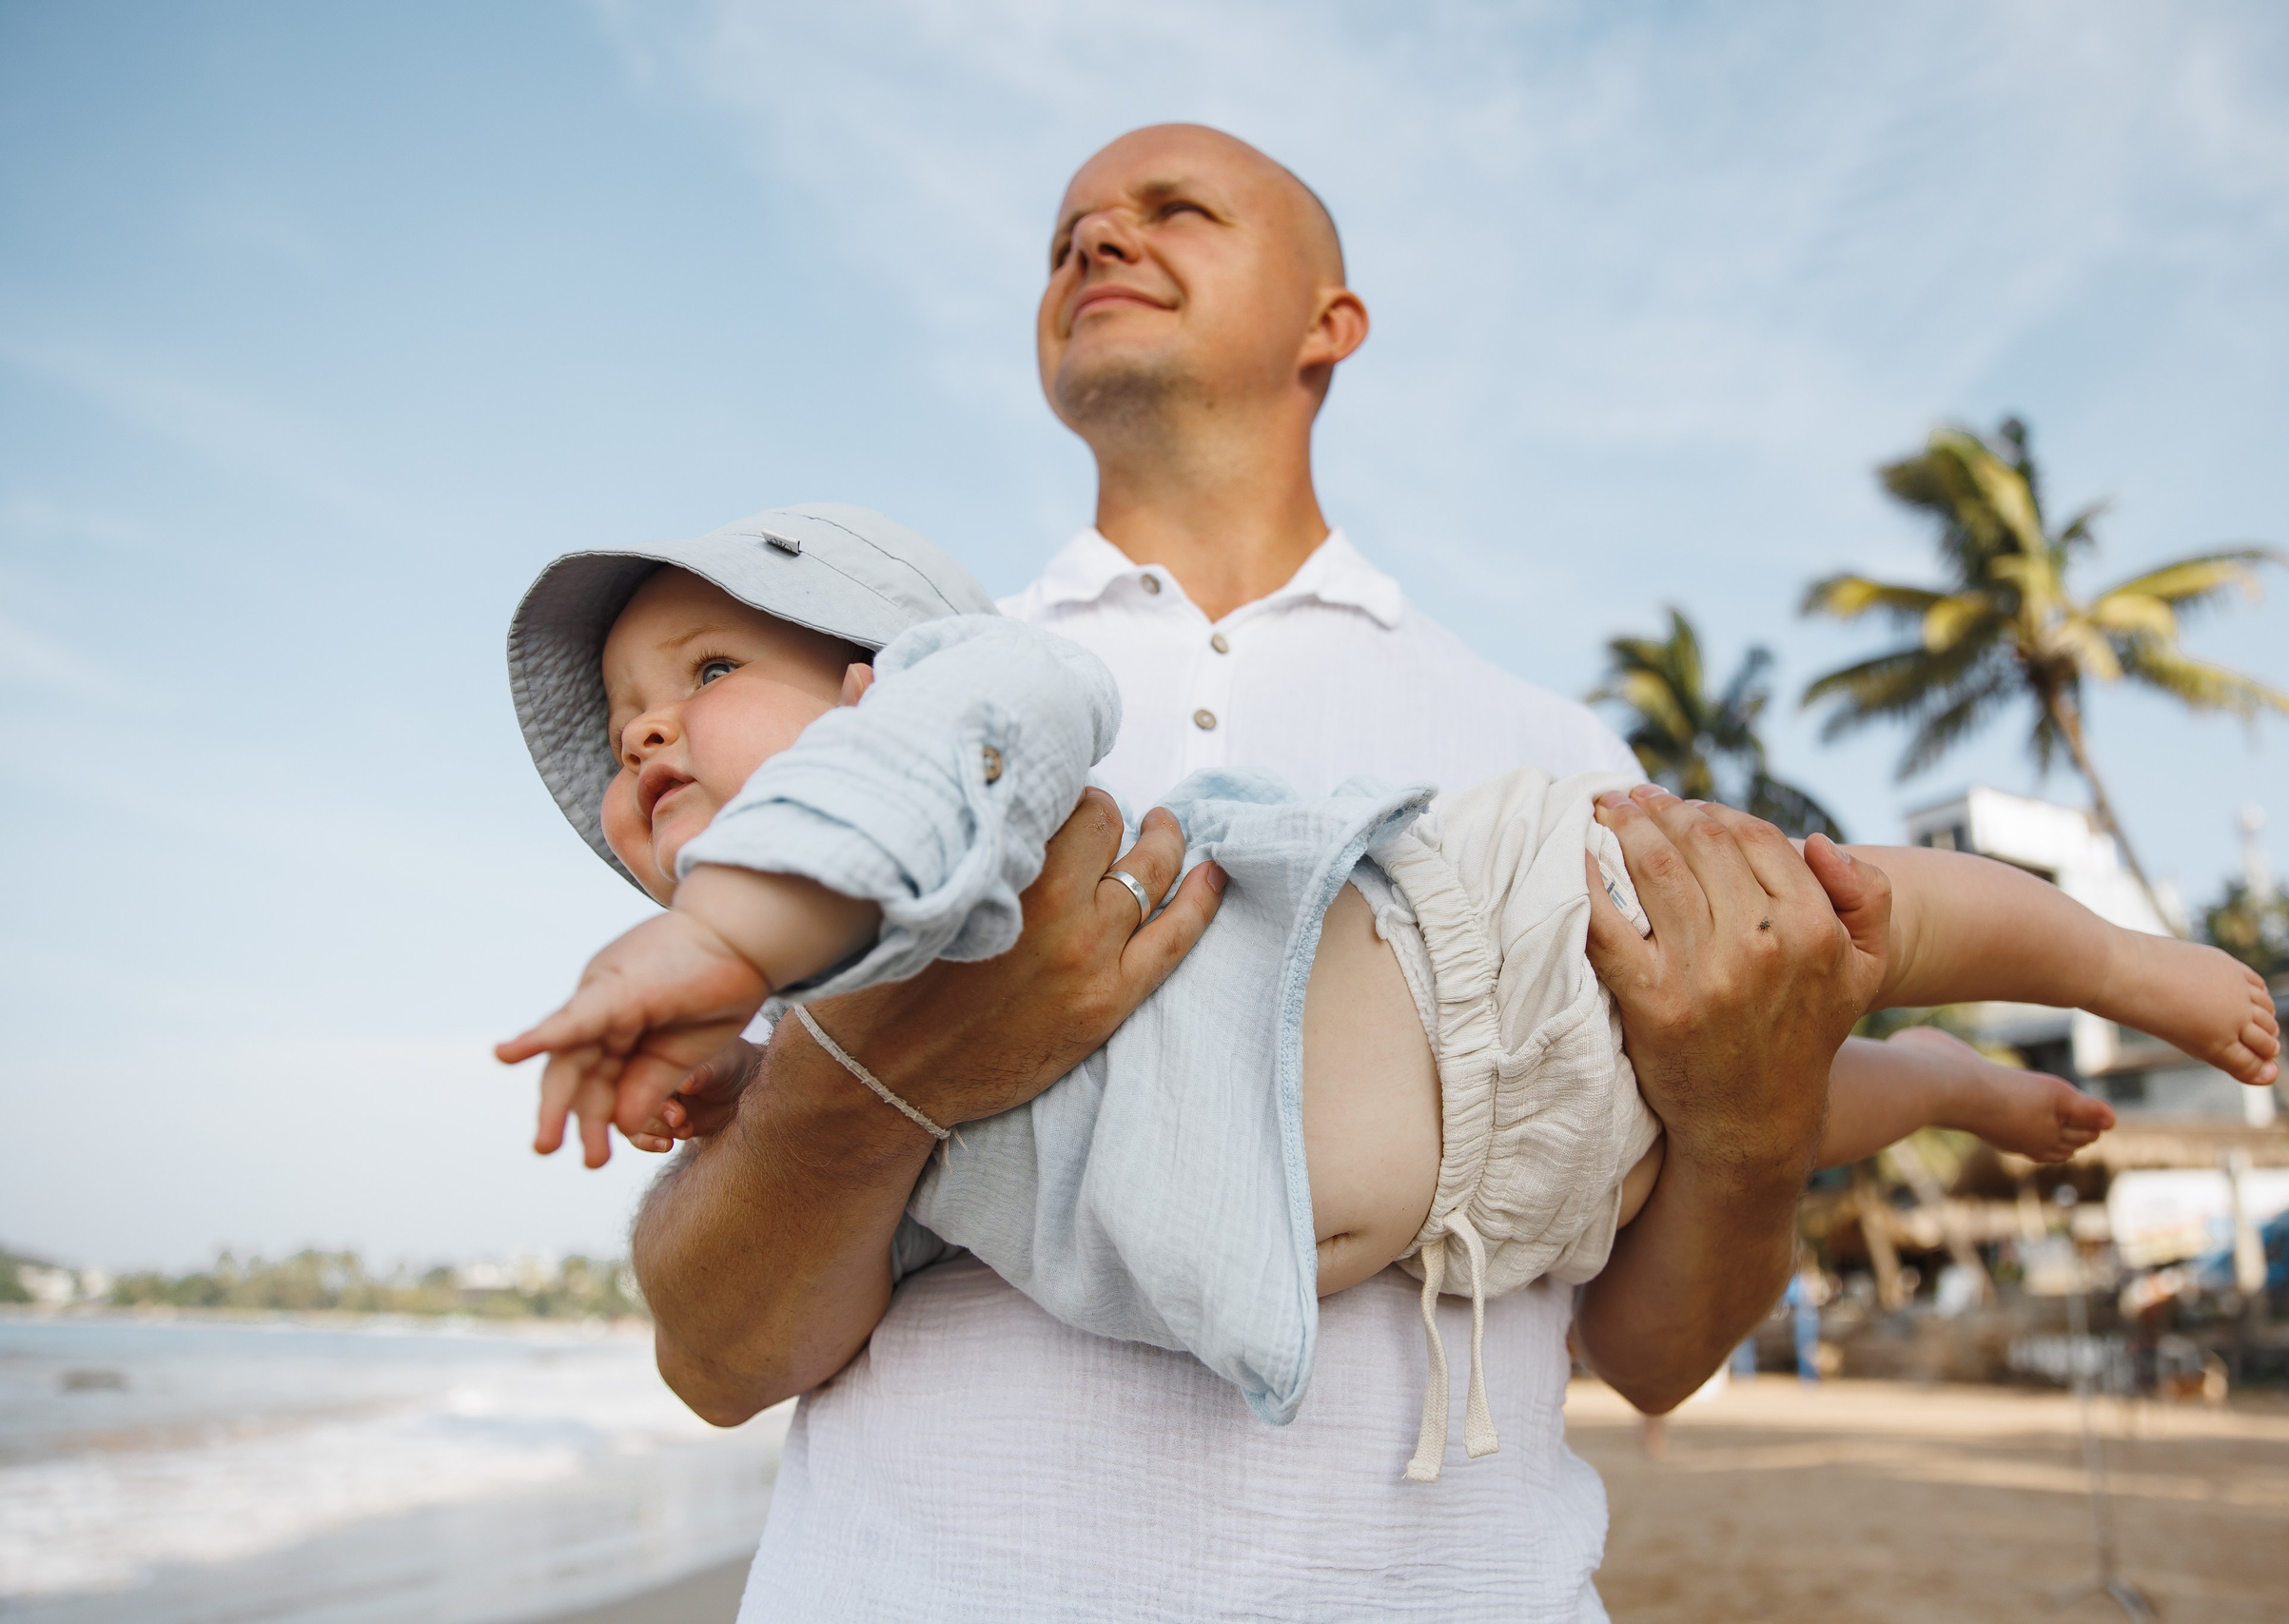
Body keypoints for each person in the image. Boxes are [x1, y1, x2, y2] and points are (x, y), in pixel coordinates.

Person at [589, 126, 2045, 1618]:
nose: (1096, 243)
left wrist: (1750, 1126)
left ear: (1329, 324)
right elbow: (719, 1361)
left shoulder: (1550, 750)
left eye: (1175, 211)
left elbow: (1652, 1356)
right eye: (1067, 232)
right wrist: (880, 1073)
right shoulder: (895, 723)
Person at [495, 512, 2278, 1479]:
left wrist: (693, 949)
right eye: (628, 729)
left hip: (1481, 953)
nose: (648, 729)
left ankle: (2110, 961)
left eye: (707, 669)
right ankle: (1947, 1086)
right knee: (1775, 1106)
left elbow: (886, 808)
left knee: (1845, 927)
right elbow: (737, 1339)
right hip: (1487, 1213)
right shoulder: (792, 1006)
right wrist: (739, 1074)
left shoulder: (978, 712)